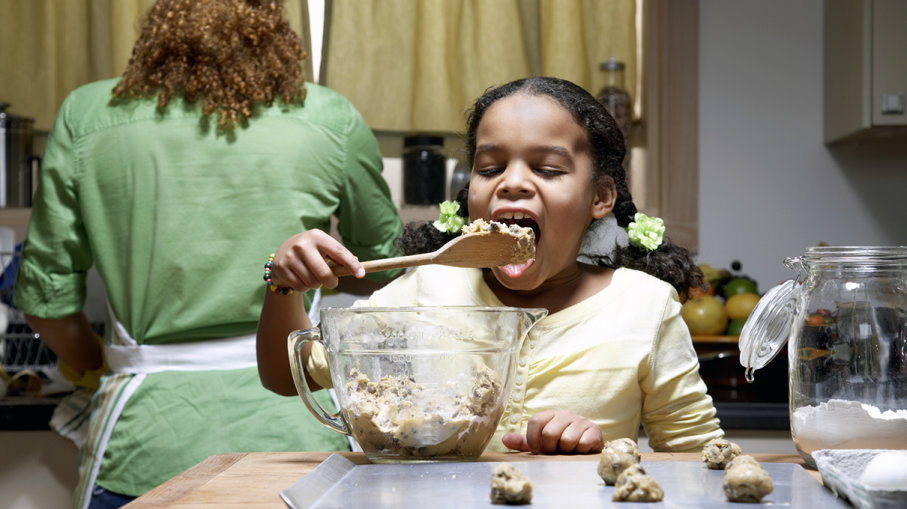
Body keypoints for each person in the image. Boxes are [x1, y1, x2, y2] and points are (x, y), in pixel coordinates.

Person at [13, 1, 402, 507]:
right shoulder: (328, 116)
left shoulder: (87, 115)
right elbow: (381, 271)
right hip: (298, 442)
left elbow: (47, 307)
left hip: (144, 443)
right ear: (271, 17)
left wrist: (105, 364)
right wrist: (300, 275)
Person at [257, 76, 723, 456]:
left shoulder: (644, 306)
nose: (512, 183)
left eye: (548, 169)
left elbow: (697, 458)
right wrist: (282, 287)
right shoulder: (428, 288)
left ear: (599, 197)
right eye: (490, 167)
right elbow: (283, 375)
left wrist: (605, 455)